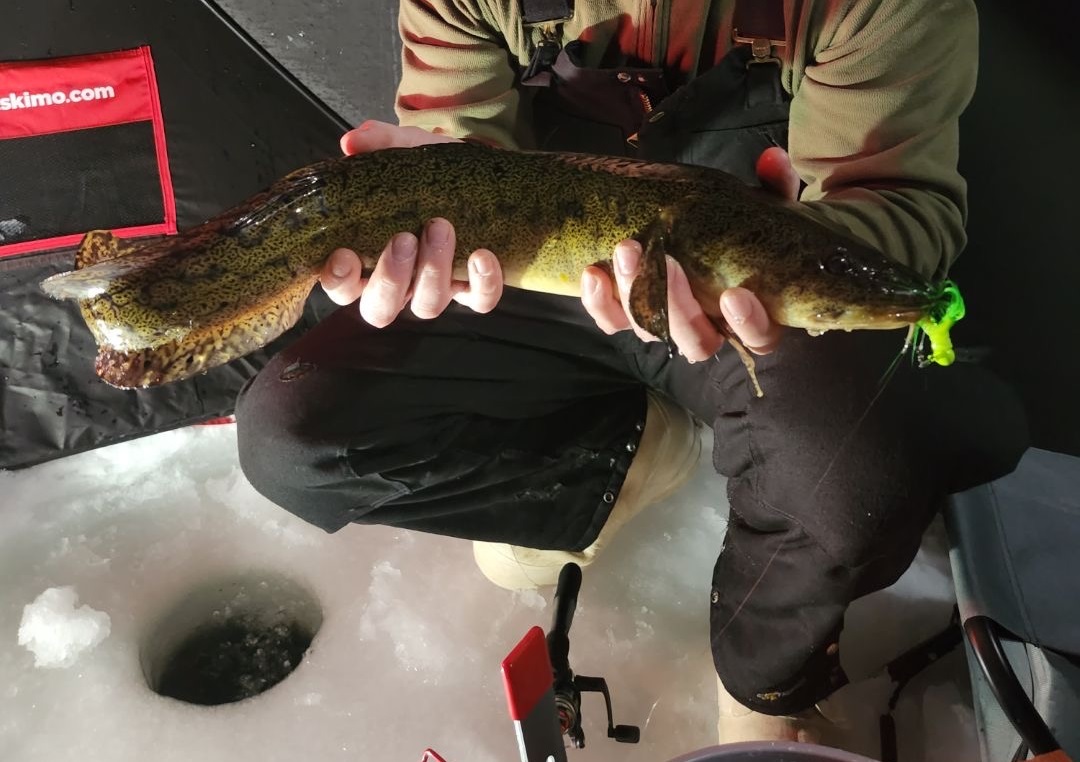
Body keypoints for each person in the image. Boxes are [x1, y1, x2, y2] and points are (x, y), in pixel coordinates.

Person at [234, 0, 1029, 743]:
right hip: (537, 267)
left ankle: (768, 683)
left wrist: (815, 255)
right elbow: (462, 140)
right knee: (292, 434)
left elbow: (899, 211)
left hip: (742, 289)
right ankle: (626, 457)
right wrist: (435, 187)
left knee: (854, 475)